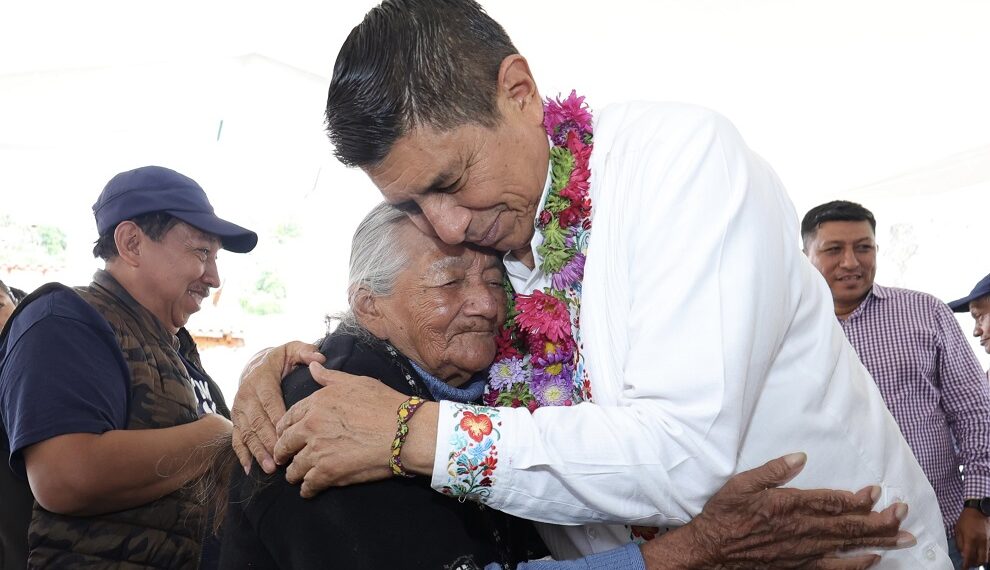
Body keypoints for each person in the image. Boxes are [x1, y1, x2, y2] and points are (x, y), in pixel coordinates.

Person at [233, 1, 943, 567]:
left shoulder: (678, 166)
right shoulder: (496, 238)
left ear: (519, 92)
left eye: (450, 183)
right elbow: (440, 362)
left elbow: (679, 452)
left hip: (846, 552)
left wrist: (409, 435)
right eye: (414, 204)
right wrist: (291, 363)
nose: (445, 226)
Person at [0, 165, 258, 568]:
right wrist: (215, 435)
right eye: (201, 252)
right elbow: (65, 475)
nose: (214, 277)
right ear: (132, 243)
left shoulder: (179, 350)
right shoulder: (64, 319)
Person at [803, 200, 990, 569]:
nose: (851, 262)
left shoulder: (925, 312)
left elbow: (974, 411)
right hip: (842, 549)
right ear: (804, 255)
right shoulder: (787, 331)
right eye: (833, 249)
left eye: (863, 247)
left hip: (944, 529)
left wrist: (978, 505)